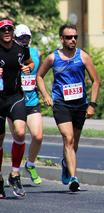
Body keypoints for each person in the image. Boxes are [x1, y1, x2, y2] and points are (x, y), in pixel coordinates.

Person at [37, 24, 100, 192]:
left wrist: (92, 104)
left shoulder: (83, 57)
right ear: (61, 39)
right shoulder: (53, 58)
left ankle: (66, 163)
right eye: (69, 37)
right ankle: (74, 178)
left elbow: (96, 81)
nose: (73, 40)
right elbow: (39, 77)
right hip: (61, 103)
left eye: (75, 37)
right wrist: (46, 96)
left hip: (80, 104)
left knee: (74, 143)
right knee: (69, 139)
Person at [0, 19, 35, 198]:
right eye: (3, 29)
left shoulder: (21, 48)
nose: (7, 31)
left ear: (13, 31)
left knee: (20, 133)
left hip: (15, 96)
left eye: (9, 29)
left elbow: (30, 63)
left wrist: (28, 68)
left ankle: (15, 173)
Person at [6, 24, 43, 185]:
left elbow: (39, 74)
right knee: (18, 136)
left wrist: (45, 93)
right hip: (14, 100)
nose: (24, 41)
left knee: (38, 136)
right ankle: (15, 171)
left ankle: (31, 164)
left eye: (27, 37)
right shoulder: (9, 53)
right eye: (21, 38)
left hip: (32, 99)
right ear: (15, 38)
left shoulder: (36, 53)